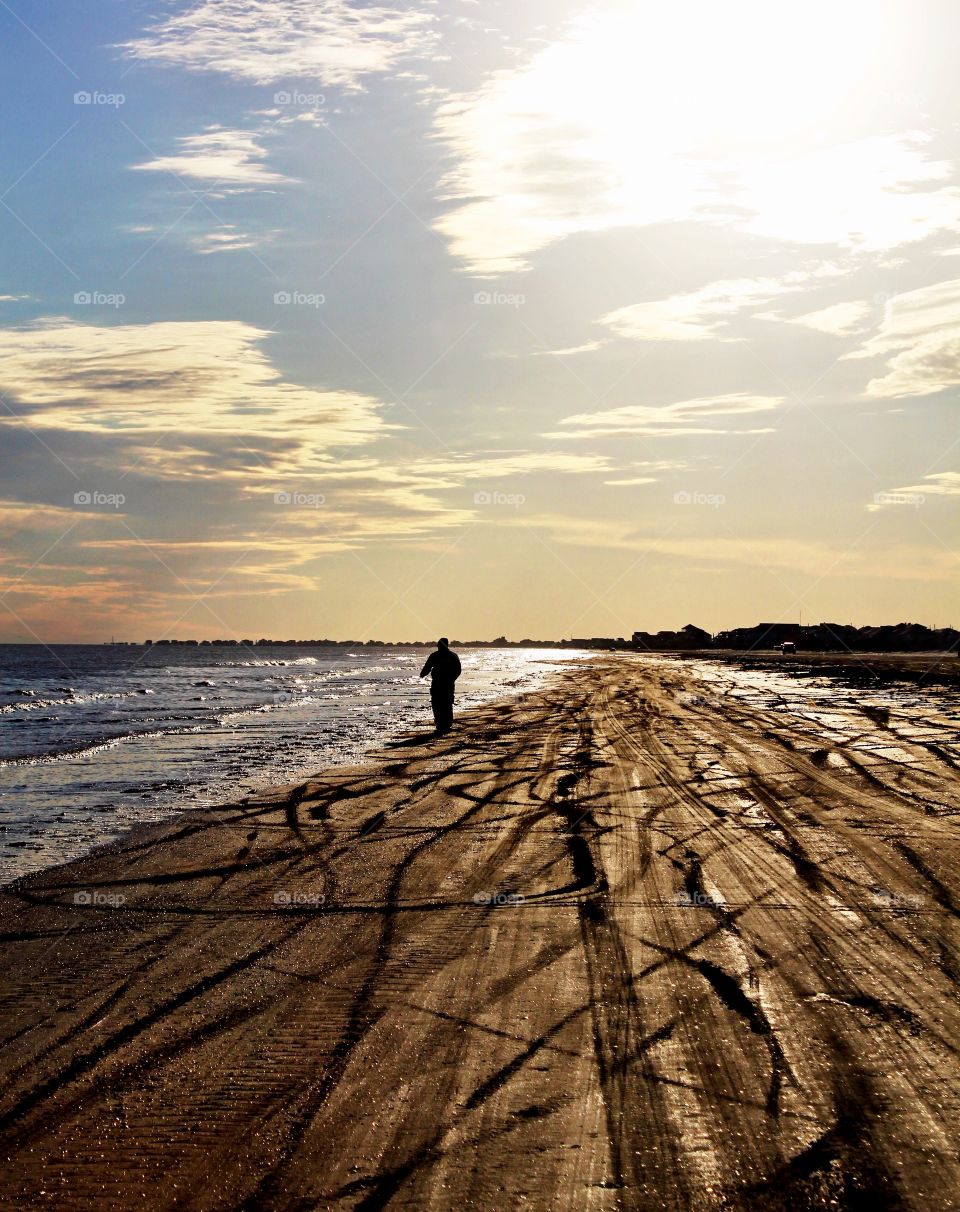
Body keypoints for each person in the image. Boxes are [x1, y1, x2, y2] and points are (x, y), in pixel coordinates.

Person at [420, 638, 461, 735]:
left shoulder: (437, 655)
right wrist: (452, 679)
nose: (438, 646)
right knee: (445, 703)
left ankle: (442, 723)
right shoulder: (453, 656)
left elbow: (427, 667)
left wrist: (423, 674)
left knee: (438, 703)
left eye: (439, 645)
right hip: (446, 683)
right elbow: (458, 670)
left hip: (440, 683)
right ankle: (445, 723)